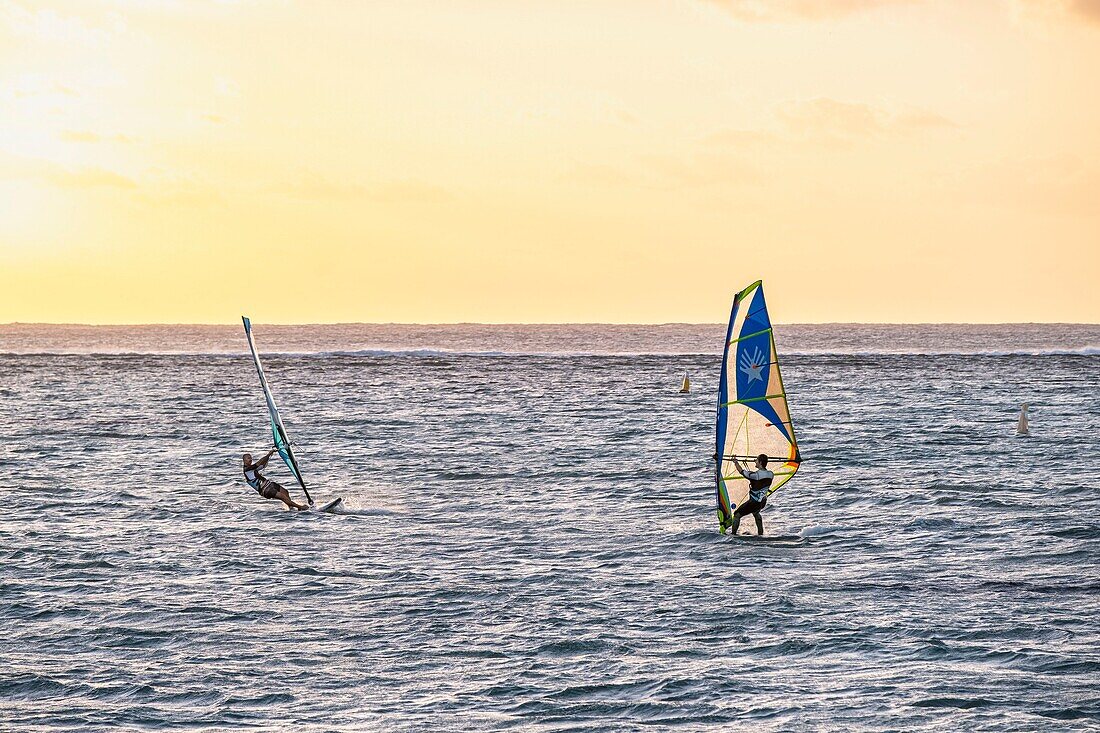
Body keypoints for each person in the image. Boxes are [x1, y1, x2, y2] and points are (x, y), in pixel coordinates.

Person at [243, 449, 308, 510]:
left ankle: (291, 507)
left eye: (251, 458)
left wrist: (270, 455)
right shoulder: (247, 470)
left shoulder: (252, 468)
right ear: (244, 460)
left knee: (285, 492)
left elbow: (263, 465)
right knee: (283, 497)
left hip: (269, 484)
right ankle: (300, 507)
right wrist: (268, 454)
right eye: (248, 458)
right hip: (265, 490)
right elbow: (259, 463)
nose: (251, 459)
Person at [730, 453, 774, 535]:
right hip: (762, 502)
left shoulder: (755, 475)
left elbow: (742, 472)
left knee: (736, 515)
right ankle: (761, 534)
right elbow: (761, 480)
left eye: (756, 460)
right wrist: (758, 462)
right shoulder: (771, 474)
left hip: (754, 502)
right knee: (756, 513)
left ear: (760, 462)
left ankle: (733, 535)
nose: (755, 462)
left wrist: (736, 462)